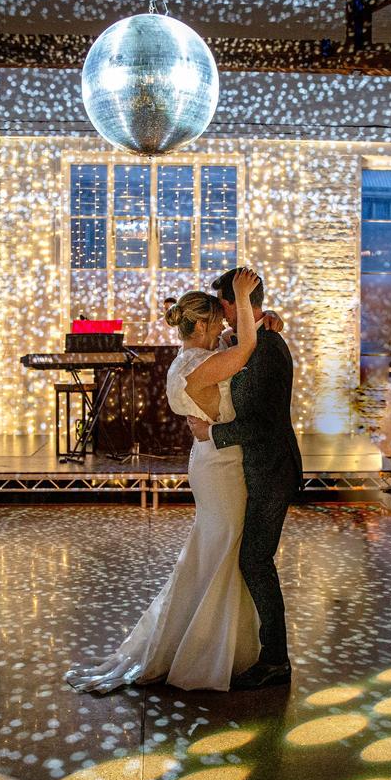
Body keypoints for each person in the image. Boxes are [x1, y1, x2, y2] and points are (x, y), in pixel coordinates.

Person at [67, 271, 262, 692]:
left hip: (211, 460)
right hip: (223, 466)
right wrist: (244, 297)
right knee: (224, 549)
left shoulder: (188, 362)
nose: (226, 326)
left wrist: (269, 316)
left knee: (213, 550)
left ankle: (209, 640)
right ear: (203, 325)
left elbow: (236, 345)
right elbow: (246, 347)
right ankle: (206, 649)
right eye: (219, 322)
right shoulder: (202, 365)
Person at [185, 267, 301, 690]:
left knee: (255, 560)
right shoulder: (251, 340)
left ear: (237, 304)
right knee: (253, 558)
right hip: (256, 467)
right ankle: (259, 649)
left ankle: (275, 659)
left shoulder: (267, 346)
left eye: (225, 305)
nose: (221, 314)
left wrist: (213, 433)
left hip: (271, 470)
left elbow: (264, 423)